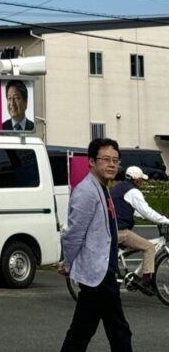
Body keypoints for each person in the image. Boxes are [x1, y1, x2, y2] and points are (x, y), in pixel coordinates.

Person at [58, 137, 132, 352]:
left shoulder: (102, 188)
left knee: (91, 331)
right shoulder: (86, 192)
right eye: (106, 159)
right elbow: (74, 234)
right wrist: (68, 263)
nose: (112, 164)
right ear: (91, 161)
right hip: (97, 275)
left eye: (115, 160)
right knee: (114, 331)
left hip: (102, 272)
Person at [111, 165, 169, 295]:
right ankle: (146, 282)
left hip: (111, 228)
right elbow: (146, 211)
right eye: (141, 180)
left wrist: (151, 219)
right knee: (149, 247)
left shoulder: (119, 188)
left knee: (139, 244)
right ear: (136, 180)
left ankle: (121, 260)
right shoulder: (133, 192)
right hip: (120, 231)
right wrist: (165, 220)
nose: (142, 182)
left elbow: (136, 211)